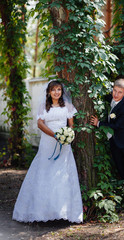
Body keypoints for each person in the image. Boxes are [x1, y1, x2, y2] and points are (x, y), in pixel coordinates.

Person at [12, 80, 83, 223]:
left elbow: (71, 125)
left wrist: (66, 136)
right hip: (47, 143)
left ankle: (63, 212)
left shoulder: (68, 106)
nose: (57, 92)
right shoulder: (43, 107)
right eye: (53, 90)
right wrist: (55, 135)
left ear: (62, 92)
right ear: (49, 92)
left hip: (63, 146)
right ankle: (42, 212)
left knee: (62, 175)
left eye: (59, 89)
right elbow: (40, 124)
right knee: (44, 173)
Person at [90, 78, 124, 209]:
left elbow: (117, 125)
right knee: (120, 168)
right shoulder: (111, 97)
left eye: (119, 92)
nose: (115, 95)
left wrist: (99, 123)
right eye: (114, 91)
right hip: (114, 141)